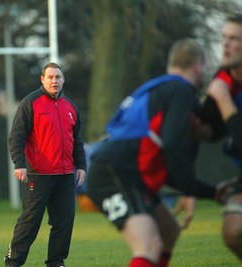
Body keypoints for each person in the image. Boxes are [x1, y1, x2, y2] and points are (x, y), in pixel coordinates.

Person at [86, 39, 229, 267]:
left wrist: (204, 191)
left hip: (122, 173)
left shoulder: (159, 87)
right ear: (198, 67)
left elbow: (163, 152)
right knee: (149, 244)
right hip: (114, 174)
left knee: (168, 231)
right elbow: (173, 145)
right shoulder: (181, 91)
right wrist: (192, 185)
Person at [4, 62, 86, 267]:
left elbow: (77, 140)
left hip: (66, 175)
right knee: (30, 222)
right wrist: (19, 164)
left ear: (63, 79)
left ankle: (56, 262)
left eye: (58, 77)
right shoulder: (30, 103)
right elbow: (16, 136)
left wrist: (81, 165)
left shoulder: (71, 107)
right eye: (50, 77)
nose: (54, 81)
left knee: (64, 222)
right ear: (42, 79)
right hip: (38, 174)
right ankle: (13, 262)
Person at [199, 14, 242, 260]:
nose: (225, 44)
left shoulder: (224, 89)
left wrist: (224, 101)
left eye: (234, 39)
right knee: (234, 230)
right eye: (224, 37)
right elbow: (214, 129)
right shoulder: (223, 77)